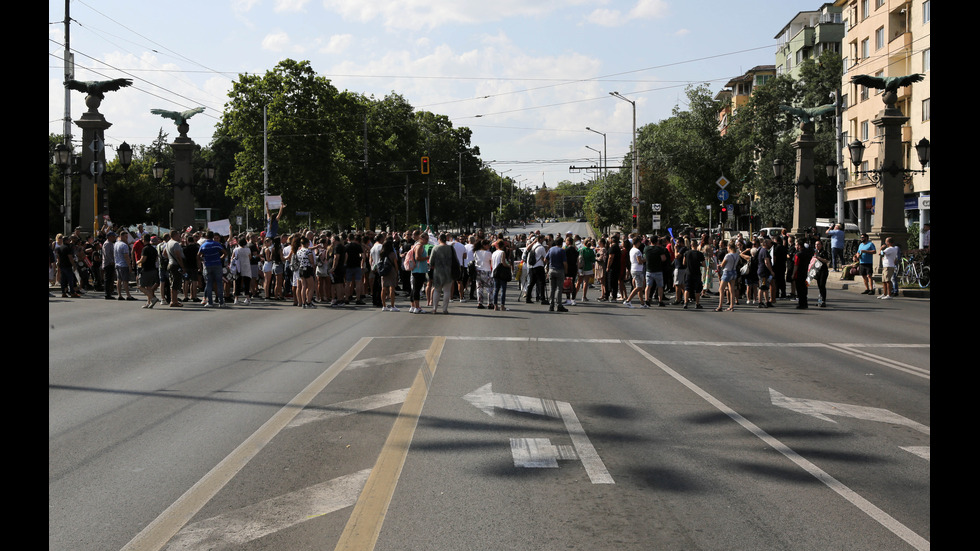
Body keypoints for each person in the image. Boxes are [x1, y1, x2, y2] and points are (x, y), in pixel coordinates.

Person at [429, 233, 456, 314]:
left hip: (438, 272)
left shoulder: (435, 248)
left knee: (437, 291)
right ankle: (445, 309)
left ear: (439, 239)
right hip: (448, 272)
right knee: (447, 291)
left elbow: (431, 262)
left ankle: (434, 308)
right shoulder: (451, 248)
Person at [198, 231, 226, 307]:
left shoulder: (203, 245)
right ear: (212, 237)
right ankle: (221, 302)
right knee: (219, 283)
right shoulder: (217, 244)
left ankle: (210, 302)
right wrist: (220, 258)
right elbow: (225, 253)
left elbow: (198, 256)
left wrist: (203, 259)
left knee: (209, 284)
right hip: (217, 264)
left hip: (207, 265)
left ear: (206, 237)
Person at [544, 236, 567, 312]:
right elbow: (564, 262)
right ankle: (559, 305)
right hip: (559, 270)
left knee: (552, 288)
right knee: (559, 288)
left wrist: (549, 265)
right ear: (561, 243)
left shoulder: (551, 249)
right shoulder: (562, 251)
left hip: (551, 270)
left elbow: (545, 259)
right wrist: (566, 270)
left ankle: (551, 305)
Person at [137, 233, 160, 308]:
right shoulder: (154, 249)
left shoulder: (145, 248)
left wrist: (138, 262)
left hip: (146, 269)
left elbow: (143, 259)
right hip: (153, 269)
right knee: (149, 286)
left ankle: (153, 298)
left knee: (140, 286)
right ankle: (149, 302)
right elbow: (156, 259)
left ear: (144, 240)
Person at [408, 232, 430, 313]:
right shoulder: (419, 246)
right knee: (417, 289)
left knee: (414, 288)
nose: (428, 240)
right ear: (421, 238)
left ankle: (413, 306)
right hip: (418, 270)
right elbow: (417, 257)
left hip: (417, 270)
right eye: (426, 239)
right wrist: (427, 257)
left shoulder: (418, 245)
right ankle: (416, 307)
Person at [643, 236, 667, 307]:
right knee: (660, 286)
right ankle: (660, 301)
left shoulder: (646, 248)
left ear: (650, 241)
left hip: (649, 269)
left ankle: (647, 300)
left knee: (648, 286)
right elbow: (663, 258)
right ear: (657, 242)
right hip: (658, 270)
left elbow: (645, 257)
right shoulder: (660, 249)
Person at [165, 232, 187, 307]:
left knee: (173, 283)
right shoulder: (175, 244)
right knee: (175, 284)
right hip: (175, 265)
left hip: (170, 264)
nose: (179, 236)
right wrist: (183, 266)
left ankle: (173, 300)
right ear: (175, 235)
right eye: (178, 235)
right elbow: (178, 256)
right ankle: (174, 301)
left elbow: (164, 253)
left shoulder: (168, 243)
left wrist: (170, 259)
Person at [114, 230, 137, 301]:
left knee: (119, 280)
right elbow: (126, 256)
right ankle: (128, 295)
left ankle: (119, 294)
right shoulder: (124, 245)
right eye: (126, 237)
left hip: (117, 264)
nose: (127, 238)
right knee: (125, 280)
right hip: (123, 265)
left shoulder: (116, 244)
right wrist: (129, 265)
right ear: (121, 236)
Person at [378, 237, 400, 311]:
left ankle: (384, 305)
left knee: (383, 288)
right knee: (392, 288)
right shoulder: (392, 254)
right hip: (391, 271)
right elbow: (395, 264)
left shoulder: (381, 253)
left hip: (384, 271)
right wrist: (397, 272)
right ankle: (392, 306)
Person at [682, 242, 705, 309]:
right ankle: (697, 303)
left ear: (691, 245)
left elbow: (684, 263)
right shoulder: (700, 254)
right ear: (697, 246)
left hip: (688, 272)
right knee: (697, 289)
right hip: (697, 273)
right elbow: (704, 264)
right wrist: (699, 264)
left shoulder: (686, 253)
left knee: (687, 288)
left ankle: (685, 303)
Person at [524, 235, 547, 304]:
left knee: (531, 283)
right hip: (539, 266)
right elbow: (545, 258)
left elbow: (527, 249)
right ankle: (542, 299)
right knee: (542, 283)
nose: (543, 241)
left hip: (532, 266)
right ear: (540, 240)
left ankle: (528, 298)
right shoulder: (541, 248)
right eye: (543, 239)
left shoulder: (533, 246)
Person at [623, 238, 645, 308]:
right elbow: (639, 261)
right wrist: (645, 259)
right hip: (638, 270)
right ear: (638, 242)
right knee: (639, 287)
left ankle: (642, 303)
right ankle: (628, 301)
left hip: (633, 269)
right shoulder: (637, 251)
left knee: (639, 287)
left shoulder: (632, 250)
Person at [716, 242, 739, 311]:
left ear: (729, 247)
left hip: (727, 272)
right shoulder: (737, 255)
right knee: (732, 289)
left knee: (721, 289)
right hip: (734, 272)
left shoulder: (728, 255)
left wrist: (719, 265)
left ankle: (720, 306)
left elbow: (722, 265)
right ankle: (732, 306)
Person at [490, 239, 511, 311]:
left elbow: (492, 264)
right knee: (503, 289)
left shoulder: (493, 253)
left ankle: (495, 305)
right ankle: (502, 305)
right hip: (501, 273)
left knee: (496, 290)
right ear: (503, 246)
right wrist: (509, 266)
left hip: (495, 272)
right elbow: (503, 263)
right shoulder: (502, 252)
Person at [471, 239, 493, 309]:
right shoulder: (488, 253)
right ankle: (490, 303)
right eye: (488, 244)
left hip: (478, 271)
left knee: (479, 288)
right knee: (489, 288)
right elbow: (491, 262)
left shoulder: (476, 252)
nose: (489, 246)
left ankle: (479, 303)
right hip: (487, 271)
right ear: (484, 245)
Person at [231, 237, 253, 305]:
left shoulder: (236, 250)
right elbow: (250, 257)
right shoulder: (248, 250)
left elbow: (232, 258)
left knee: (237, 283)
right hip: (246, 267)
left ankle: (236, 299)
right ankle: (247, 298)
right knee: (247, 283)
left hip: (238, 268)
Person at [792, 239, 813, 309]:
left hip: (799, 273)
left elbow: (796, 265)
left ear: (798, 246)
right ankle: (805, 303)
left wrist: (793, 274)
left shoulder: (798, 254)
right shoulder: (808, 252)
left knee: (799, 289)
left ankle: (801, 303)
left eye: (796, 245)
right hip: (806, 273)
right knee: (804, 288)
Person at [576, 238, 596, 302]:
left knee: (578, 282)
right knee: (585, 282)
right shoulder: (591, 251)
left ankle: (574, 295)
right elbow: (593, 260)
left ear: (584, 243)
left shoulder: (580, 249)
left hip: (581, 267)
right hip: (588, 267)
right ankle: (584, 297)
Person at [757, 238, 775, 308]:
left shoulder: (763, 250)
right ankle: (760, 302)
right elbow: (766, 262)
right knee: (762, 287)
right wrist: (771, 271)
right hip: (763, 272)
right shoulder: (764, 251)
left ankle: (767, 302)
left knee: (765, 287)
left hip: (764, 272)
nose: (771, 245)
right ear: (766, 244)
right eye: (770, 243)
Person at [812, 239, 831, 307]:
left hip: (823, 271)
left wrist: (819, 258)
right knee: (819, 286)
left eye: (818, 244)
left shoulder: (824, 252)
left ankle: (823, 300)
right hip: (818, 271)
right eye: (816, 244)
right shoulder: (816, 252)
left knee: (822, 285)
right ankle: (820, 300)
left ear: (821, 245)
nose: (817, 246)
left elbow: (826, 261)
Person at [102, 231, 117, 299]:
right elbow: (107, 254)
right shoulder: (107, 244)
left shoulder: (111, 243)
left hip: (111, 263)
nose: (114, 238)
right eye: (113, 236)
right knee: (107, 279)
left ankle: (110, 292)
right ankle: (107, 293)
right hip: (108, 264)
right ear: (109, 237)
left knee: (111, 279)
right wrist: (111, 261)